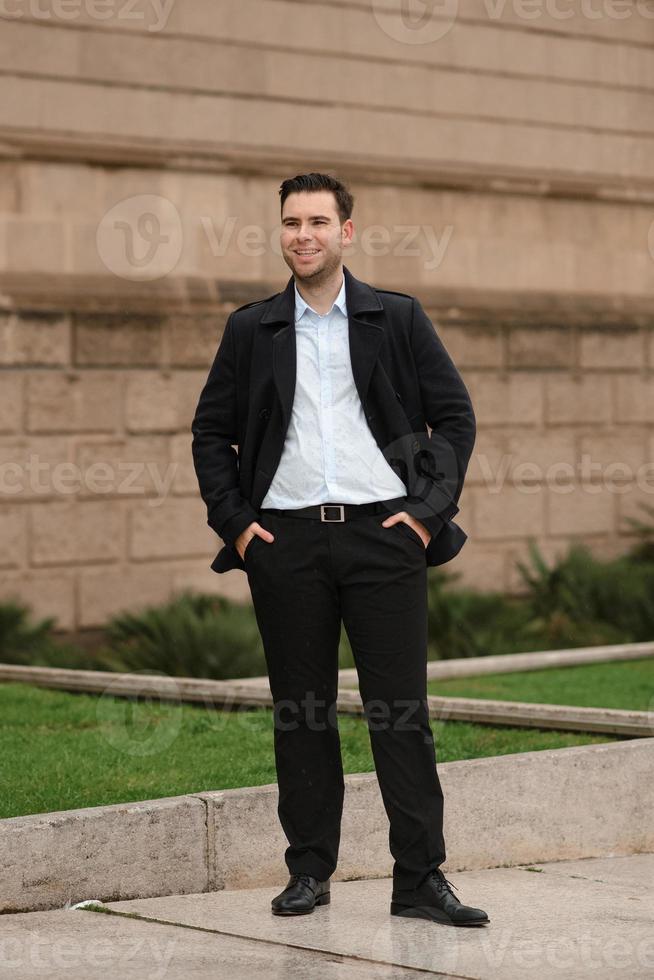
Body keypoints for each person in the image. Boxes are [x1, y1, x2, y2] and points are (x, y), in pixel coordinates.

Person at [191, 172, 489, 927]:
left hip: (383, 537)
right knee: (301, 712)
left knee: (400, 714)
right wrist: (236, 525)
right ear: (281, 232)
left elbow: (453, 419)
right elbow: (209, 435)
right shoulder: (250, 327)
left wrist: (425, 515)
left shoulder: (397, 317)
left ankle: (420, 878)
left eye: (318, 221)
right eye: (291, 222)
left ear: (346, 232)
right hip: (284, 542)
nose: (303, 235)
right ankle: (309, 872)